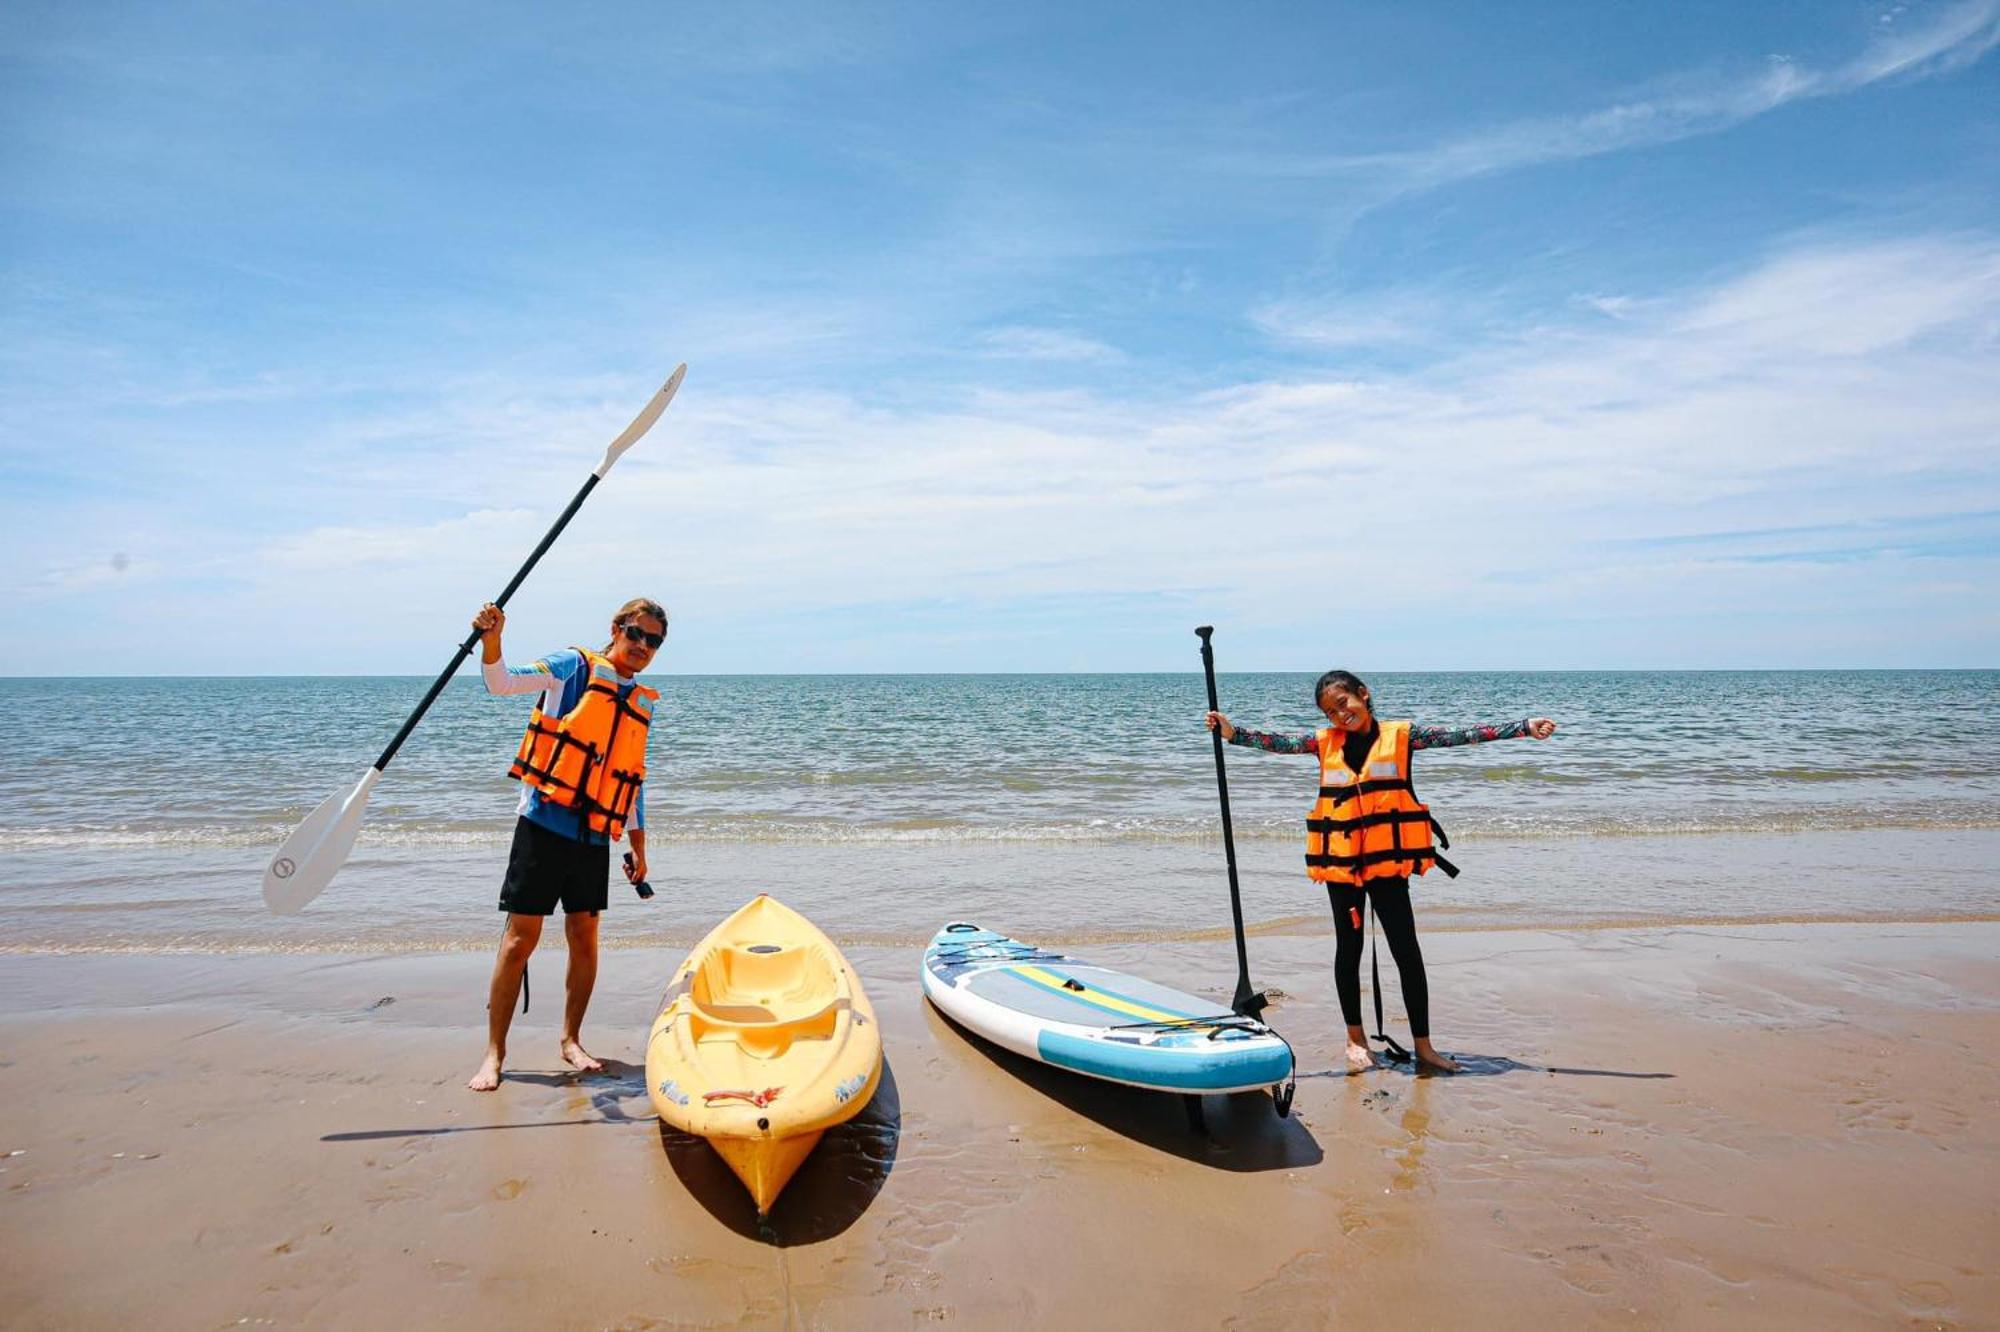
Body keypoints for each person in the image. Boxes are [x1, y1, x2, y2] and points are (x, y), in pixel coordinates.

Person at [1206, 670, 1557, 1074]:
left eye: (1344, 704)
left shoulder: (1402, 738)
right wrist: (1233, 733)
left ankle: (1424, 1047)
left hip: (1388, 865)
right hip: (1343, 868)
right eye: (1330, 712)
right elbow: (1279, 743)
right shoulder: (1324, 744)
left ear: (1363, 694)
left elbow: (1464, 734)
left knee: (1406, 951)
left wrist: (1525, 728)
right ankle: (1354, 1040)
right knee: (1348, 950)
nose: (1340, 716)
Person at [466, 597, 667, 1092]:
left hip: (594, 836)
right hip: (542, 825)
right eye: (636, 633)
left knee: (584, 938)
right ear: (616, 628)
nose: (642, 646)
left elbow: (631, 782)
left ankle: (571, 1040)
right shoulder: (572, 666)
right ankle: (495, 1054)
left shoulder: (639, 700)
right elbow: (502, 683)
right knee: (520, 942)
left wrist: (640, 849)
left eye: (654, 641)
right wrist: (492, 641)